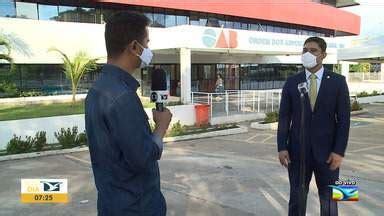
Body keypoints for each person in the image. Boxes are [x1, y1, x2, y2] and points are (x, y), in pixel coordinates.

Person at [85, 11, 172, 215]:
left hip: (111, 203)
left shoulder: (97, 90)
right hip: (136, 207)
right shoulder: (123, 97)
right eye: (146, 44)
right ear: (134, 47)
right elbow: (142, 158)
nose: (148, 50)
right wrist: (161, 127)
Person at [277, 37, 350, 216]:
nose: (307, 54)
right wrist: (281, 147)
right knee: (297, 197)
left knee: (332, 199)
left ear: (323, 55)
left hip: (329, 153)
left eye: (313, 50)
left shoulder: (338, 81)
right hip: (297, 152)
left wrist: (339, 152)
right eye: (304, 50)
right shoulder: (292, 82)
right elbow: (284, 117)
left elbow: (344, 120)